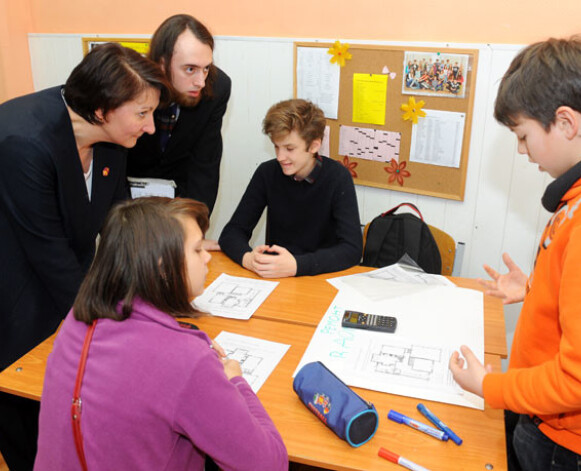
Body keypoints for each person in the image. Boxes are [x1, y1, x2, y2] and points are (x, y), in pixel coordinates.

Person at [449, 36, 581, 471]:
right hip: (556, 415)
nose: (523, 152)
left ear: (566, 122)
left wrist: (491, 387)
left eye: (523, 135)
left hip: (567, 436)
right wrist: (537, 287)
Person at [0, 43, 169, 471]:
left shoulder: (112, 137)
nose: (150, 128)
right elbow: (49, 256)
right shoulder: (26, 144)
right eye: (142, 113)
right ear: (100, 110)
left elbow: (122, 222)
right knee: (28, 412)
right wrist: (120, 321)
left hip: (57, 272)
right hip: (13, 285)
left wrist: (161, 272)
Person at [34, 197, 288, 470]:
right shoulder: (186, 360)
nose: (207, 257)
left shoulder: (78, 319)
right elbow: (269, 464)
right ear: (161, 266)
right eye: (197, 249)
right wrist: (235, 381)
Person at [219, 99, 362, 278]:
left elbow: (352, 250)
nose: (280, 157)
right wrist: (249, 259)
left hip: (320, 278)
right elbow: (231, 233)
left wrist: (297, 265)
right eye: (276, 147)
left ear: (314, 146)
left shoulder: (338, 177)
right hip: (276, 277)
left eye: (289, 148)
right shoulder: (267, 173)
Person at [127, 14, 232, 213]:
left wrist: (194, 223)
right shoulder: (131, 85)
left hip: (180, 196)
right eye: (190, 69)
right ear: (162, 64)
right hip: (127, 193)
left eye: (206, 68)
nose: (200, 82)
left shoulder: (217, 88)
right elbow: (112, 158)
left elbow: (205, 165)